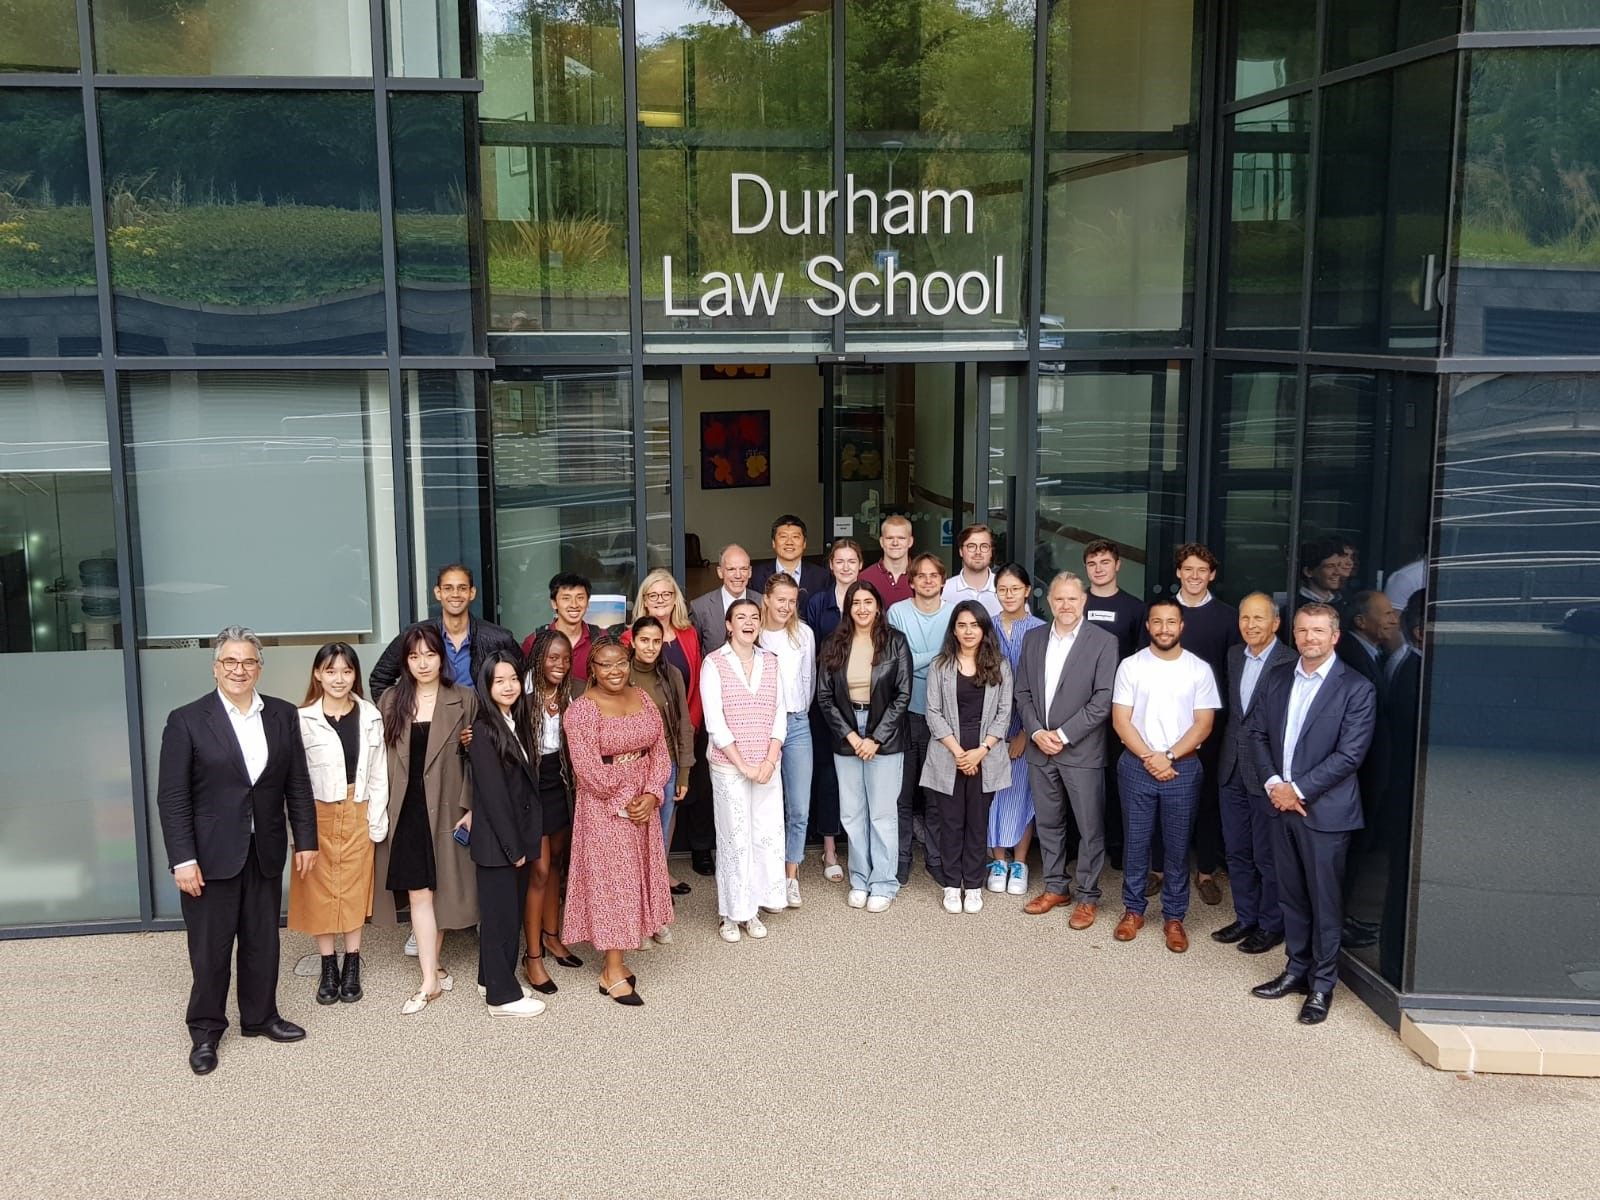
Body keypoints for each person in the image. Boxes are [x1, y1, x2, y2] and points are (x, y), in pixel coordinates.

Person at [157, 626, 317, 1076]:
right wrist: (182, 859)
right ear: (215, 667)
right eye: (230, 661)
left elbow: (297, 784)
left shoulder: (282, 716)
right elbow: (172, 798)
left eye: (248, 661)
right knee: (210, 949)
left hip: (262, 849)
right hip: (208, 857)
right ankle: (206, 1031)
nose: (239, 669)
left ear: (259, 667)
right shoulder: (187, 720)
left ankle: (260, 1016)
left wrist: (305, 839)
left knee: (262, 940)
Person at [1247, 603, 1377, 1026]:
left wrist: (1297, 790)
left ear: (1335, 636)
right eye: (1303, 631)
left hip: (1325, 813)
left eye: (1318, 631)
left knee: (1324, 902)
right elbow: (1257, 733)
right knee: (1291, 895)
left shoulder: (1356, 688)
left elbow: (1350, 755)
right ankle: (1295, 970)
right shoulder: (1279, 677)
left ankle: (1322, 986)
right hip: (1279, 804)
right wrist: (1274, 786)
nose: (1310, 638)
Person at [372, 623, 479, 1015]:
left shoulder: (465, 698)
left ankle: (432, 973)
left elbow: (478, 760)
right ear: (405, 660)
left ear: (442, 658)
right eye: (414, 656)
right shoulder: (389, 701)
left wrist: (470, 808)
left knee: (444, 890)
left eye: (430, 655)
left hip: (448, 806)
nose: (422, 663)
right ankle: (430, 978)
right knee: (420, 893)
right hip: (407, 807)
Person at [563, 635, 674, 1005]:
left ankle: (619, 961)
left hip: (643, 803)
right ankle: (611, 972)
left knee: (635, 880)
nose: (615, 670)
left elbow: (659, 749)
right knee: (614, 886)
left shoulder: (642, 698)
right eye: (605, 665)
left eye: (620, 663)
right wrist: (629, 798)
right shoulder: (581, 710)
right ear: (591, 670)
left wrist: (653, 792)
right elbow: (588, 771)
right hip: (605, 810)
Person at [1109, 599, 1221, 953]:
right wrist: (1150, 757)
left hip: (1183, 768)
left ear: (1181, 626)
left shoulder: (1198, 669)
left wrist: (1169, 756)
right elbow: (1120, 720)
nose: (1164, 629)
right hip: (1137, 765)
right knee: (1136, 843)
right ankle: (1133, 910)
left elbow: (1204, 723)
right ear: (1148, 626)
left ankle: (1174, 917)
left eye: (1171, 622)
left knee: (1176, 847)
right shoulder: (1131, 666)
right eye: (1157, 622)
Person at [1014, 572, 1119, 930]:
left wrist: (1061, 733)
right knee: (1048, 822)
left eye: (1072, 599)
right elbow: (1023, 692)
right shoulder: (1033, 638)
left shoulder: (1103, 642)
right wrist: (1037, 732)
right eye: (1059, 599)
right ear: (1048, 601)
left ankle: (1088, 896)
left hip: (1081, 751)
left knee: (1089, 826)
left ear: (1084, 601)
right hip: (1040, 748)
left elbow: (1103, 699)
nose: (1066, 606)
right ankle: (1056, 887)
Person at [291, 642, 387, 1007]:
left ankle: (352, 962)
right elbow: (293, 778)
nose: (339, 679)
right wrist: (296, 830)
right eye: (330, 671)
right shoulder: (301, 719)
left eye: (346, 671)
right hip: (317, 809)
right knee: (316, 886)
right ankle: (327, 963)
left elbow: (378, 773)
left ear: (355, 676)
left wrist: (376, 817)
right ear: (317, 674)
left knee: (353, 884)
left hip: (357, 805)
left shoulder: (369, 716)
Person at [816, 581, 913, 911]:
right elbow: (825, 697)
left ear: (878, 606)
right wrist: (853, 736)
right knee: (853, 813)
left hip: (884, 734)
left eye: (868, 602)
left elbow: (902, 695)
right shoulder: (834, 644)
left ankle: (884, 882)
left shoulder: (896, 642)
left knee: (883, 814)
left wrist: (875, 738)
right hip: (847, 735)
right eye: (855, 602)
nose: (861, 608)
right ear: (848, 608)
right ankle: (860, 877)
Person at [1211, 594, 1294, 955]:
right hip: (1231, 767)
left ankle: (1270, 924)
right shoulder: (1233, 656)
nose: (1251, 625)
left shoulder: (1290, 661)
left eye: (1259, 618)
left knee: (1267, 856)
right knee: (1237, 851)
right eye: (1245, 618)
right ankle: (1245, 917)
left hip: (1266, 772)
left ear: (1275, 623)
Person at [700, 597, 788, 941]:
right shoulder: (714, 663)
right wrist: (744, 765)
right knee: (735, 838)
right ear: (728, 625)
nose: (749, 622)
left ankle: (755, 908)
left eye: (754, 617)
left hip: (767, 764)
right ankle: (732, 914)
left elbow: (780, 714)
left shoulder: (772, 661)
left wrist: (768, 759)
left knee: (764, 834)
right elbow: (715, 723)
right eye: (741, 617)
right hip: (729, 767)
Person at [465, 653, 547, 1017]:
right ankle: (501, 997)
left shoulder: (514, 721)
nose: (509, 686)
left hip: (515, 837)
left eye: (513, 678)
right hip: (500, 843)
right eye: (499, 681)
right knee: (501, 919)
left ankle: (490, 978)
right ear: (486, 685)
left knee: (505, 914)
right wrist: (514, 848)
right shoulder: (484, 729)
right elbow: (494, 796)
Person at [921, 601, 1013, 914]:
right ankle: (951, 884)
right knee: (950, 823)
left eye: (974, 624)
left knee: (977, 822)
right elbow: (932, 712)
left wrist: (981, 751)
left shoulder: (999, 664)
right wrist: (960, 753)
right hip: (950, 753)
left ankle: (973, 885)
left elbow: (1004, 713)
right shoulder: (940, 665)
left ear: (984, 628)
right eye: (962, 625)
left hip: (985, 754)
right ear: (954, 630)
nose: (968, 631)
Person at [1168, 543, 1240, 906]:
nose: (1194, 576)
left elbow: (1231, 675)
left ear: (1211, 575)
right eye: (1188, 569)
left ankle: (1206, 870)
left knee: (1208, 796)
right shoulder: (1163, 614)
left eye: (1202, 571)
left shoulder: (1228, 618)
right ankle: (1158, 868)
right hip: (1162, 723)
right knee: (1157, 793)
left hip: (1209, 723)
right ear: (1178, 572)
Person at [626, 570, 704, 885]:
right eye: (653, 595)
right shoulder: (627, 639)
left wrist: (690, 731)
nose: (660, 600)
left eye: (667, 594)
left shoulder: (687, 635)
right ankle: (640, 881)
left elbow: (694, 684)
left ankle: (660, 872)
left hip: (675, 738)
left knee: (667, 809)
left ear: (676, 599)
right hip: (636, 751)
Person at [520, 626, 584, 991]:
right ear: (539, 657)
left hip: (560, 781)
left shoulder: (572, 691)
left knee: (558, 861)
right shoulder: (522, 691)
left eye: (565, 658)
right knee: (540, 870)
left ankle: (551, 935)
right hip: (531, 783)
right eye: (552, 657)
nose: (559, 664)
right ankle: (531, 957)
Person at [887, 552, 952, 884]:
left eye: (934, 575)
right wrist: (938, 656)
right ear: (910, 582)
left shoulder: (956, 613)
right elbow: (900, 661)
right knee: (902, 794)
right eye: (921, 575)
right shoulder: (897, 612)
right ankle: (900, 858)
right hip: (905, 715)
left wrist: (919, 659)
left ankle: (936, 857)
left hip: (944, 720)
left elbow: (958, 657)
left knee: (936, 794)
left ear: (943, 580)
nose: (928, 580)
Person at [1081, 539, 1145, 872]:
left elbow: (1141, 660)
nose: (1099, 569)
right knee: (1082, 779)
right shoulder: (1075, 603)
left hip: (1121, 709)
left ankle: (1118, 846)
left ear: (1118, 565)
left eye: (1105, 562)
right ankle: (1080, 845)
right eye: (1092, 564)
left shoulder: (1135, 608)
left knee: (1118, 777)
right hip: (1079, 708)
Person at [369, 564, 519, 700]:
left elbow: (524, 679)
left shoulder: (498, 638)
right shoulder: (415, 635)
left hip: (481, 725)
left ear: (472, 593)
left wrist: (494, 721)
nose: (455, 594)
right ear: (438, 593)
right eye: (448, 588)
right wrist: (401, 717)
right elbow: (380, 679)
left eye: (462, 588)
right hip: (431, 725)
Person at [627, 615, 694, 918]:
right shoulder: (621, 673)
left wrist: (684, 771)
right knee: (631, 838)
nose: (651, 647)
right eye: (644, 640)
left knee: (660, 836)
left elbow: (684, 725)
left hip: (665, 767)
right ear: (633, 640)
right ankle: (635, 901)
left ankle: (656, 905)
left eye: (656, 641)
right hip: (628, 770)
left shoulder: (672, 674)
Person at [759, 573, 817, 908]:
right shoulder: (754, 633)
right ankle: (767, 876)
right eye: (780, 599)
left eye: (792, 601)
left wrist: (797, 715)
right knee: (767, 807)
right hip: (762, 730)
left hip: (796, 725)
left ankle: (790, 876)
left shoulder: (803, 635)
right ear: (766, 598)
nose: (786, 606)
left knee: (798, 806)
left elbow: (807, 680)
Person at [987, 563, 1045, 894]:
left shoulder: (1041, 630)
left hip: (1029, 726)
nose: (1009, 595)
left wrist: (1027, 732)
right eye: (1002, 589)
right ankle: (998, 859)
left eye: (1015, 588)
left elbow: (1045, 686)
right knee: (993, 795)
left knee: (1022, 795)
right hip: (988, 728)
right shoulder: (986, 627)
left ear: (1027, 590)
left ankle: (1020, 862)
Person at [522, 572, 603, 680]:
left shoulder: (600, 638)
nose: (574, 605)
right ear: (554, 603)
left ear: (588, 602)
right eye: (566, 598)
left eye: (580, 598)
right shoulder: (535, 641)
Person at [750, 513, 831, 603]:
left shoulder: (821, 576)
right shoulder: (756, 576)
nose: (789, 542)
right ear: (773, 543)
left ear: (804, 543)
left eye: (795, 537)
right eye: (783, 537)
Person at [690, 544, 754, 654]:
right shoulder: (700, 607)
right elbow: (695, 654)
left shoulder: (763, 603)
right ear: (720, 572)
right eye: (731, 569)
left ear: (750, 572)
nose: (738, 575)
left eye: (743, 569)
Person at [1336, 589, 1398, 690]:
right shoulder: (1350, 657)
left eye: (1393, 614)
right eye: (1387, 614)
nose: (1394, 621)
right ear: (1360, 621)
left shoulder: (1376, 654)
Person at [803, 537, 864, 640]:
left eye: (852, 562)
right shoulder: (817, 602)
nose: (846, 568)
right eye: (839, 562)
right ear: (831, 565)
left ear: (860, 564)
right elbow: (812, 644)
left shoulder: (873, 599)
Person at [943, 524, 1001, 617]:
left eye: (984, 546)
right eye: (971, 546)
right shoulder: (944, 591)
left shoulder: (1006, 590)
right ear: (961, 551)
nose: (978, 552)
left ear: (991, 552)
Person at [860, 513, 915, 609]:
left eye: (901, 538)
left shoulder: (922, 576)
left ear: (910, 542)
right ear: (881, 542)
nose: (895, 543)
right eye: (890, 538)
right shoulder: (865, 578)